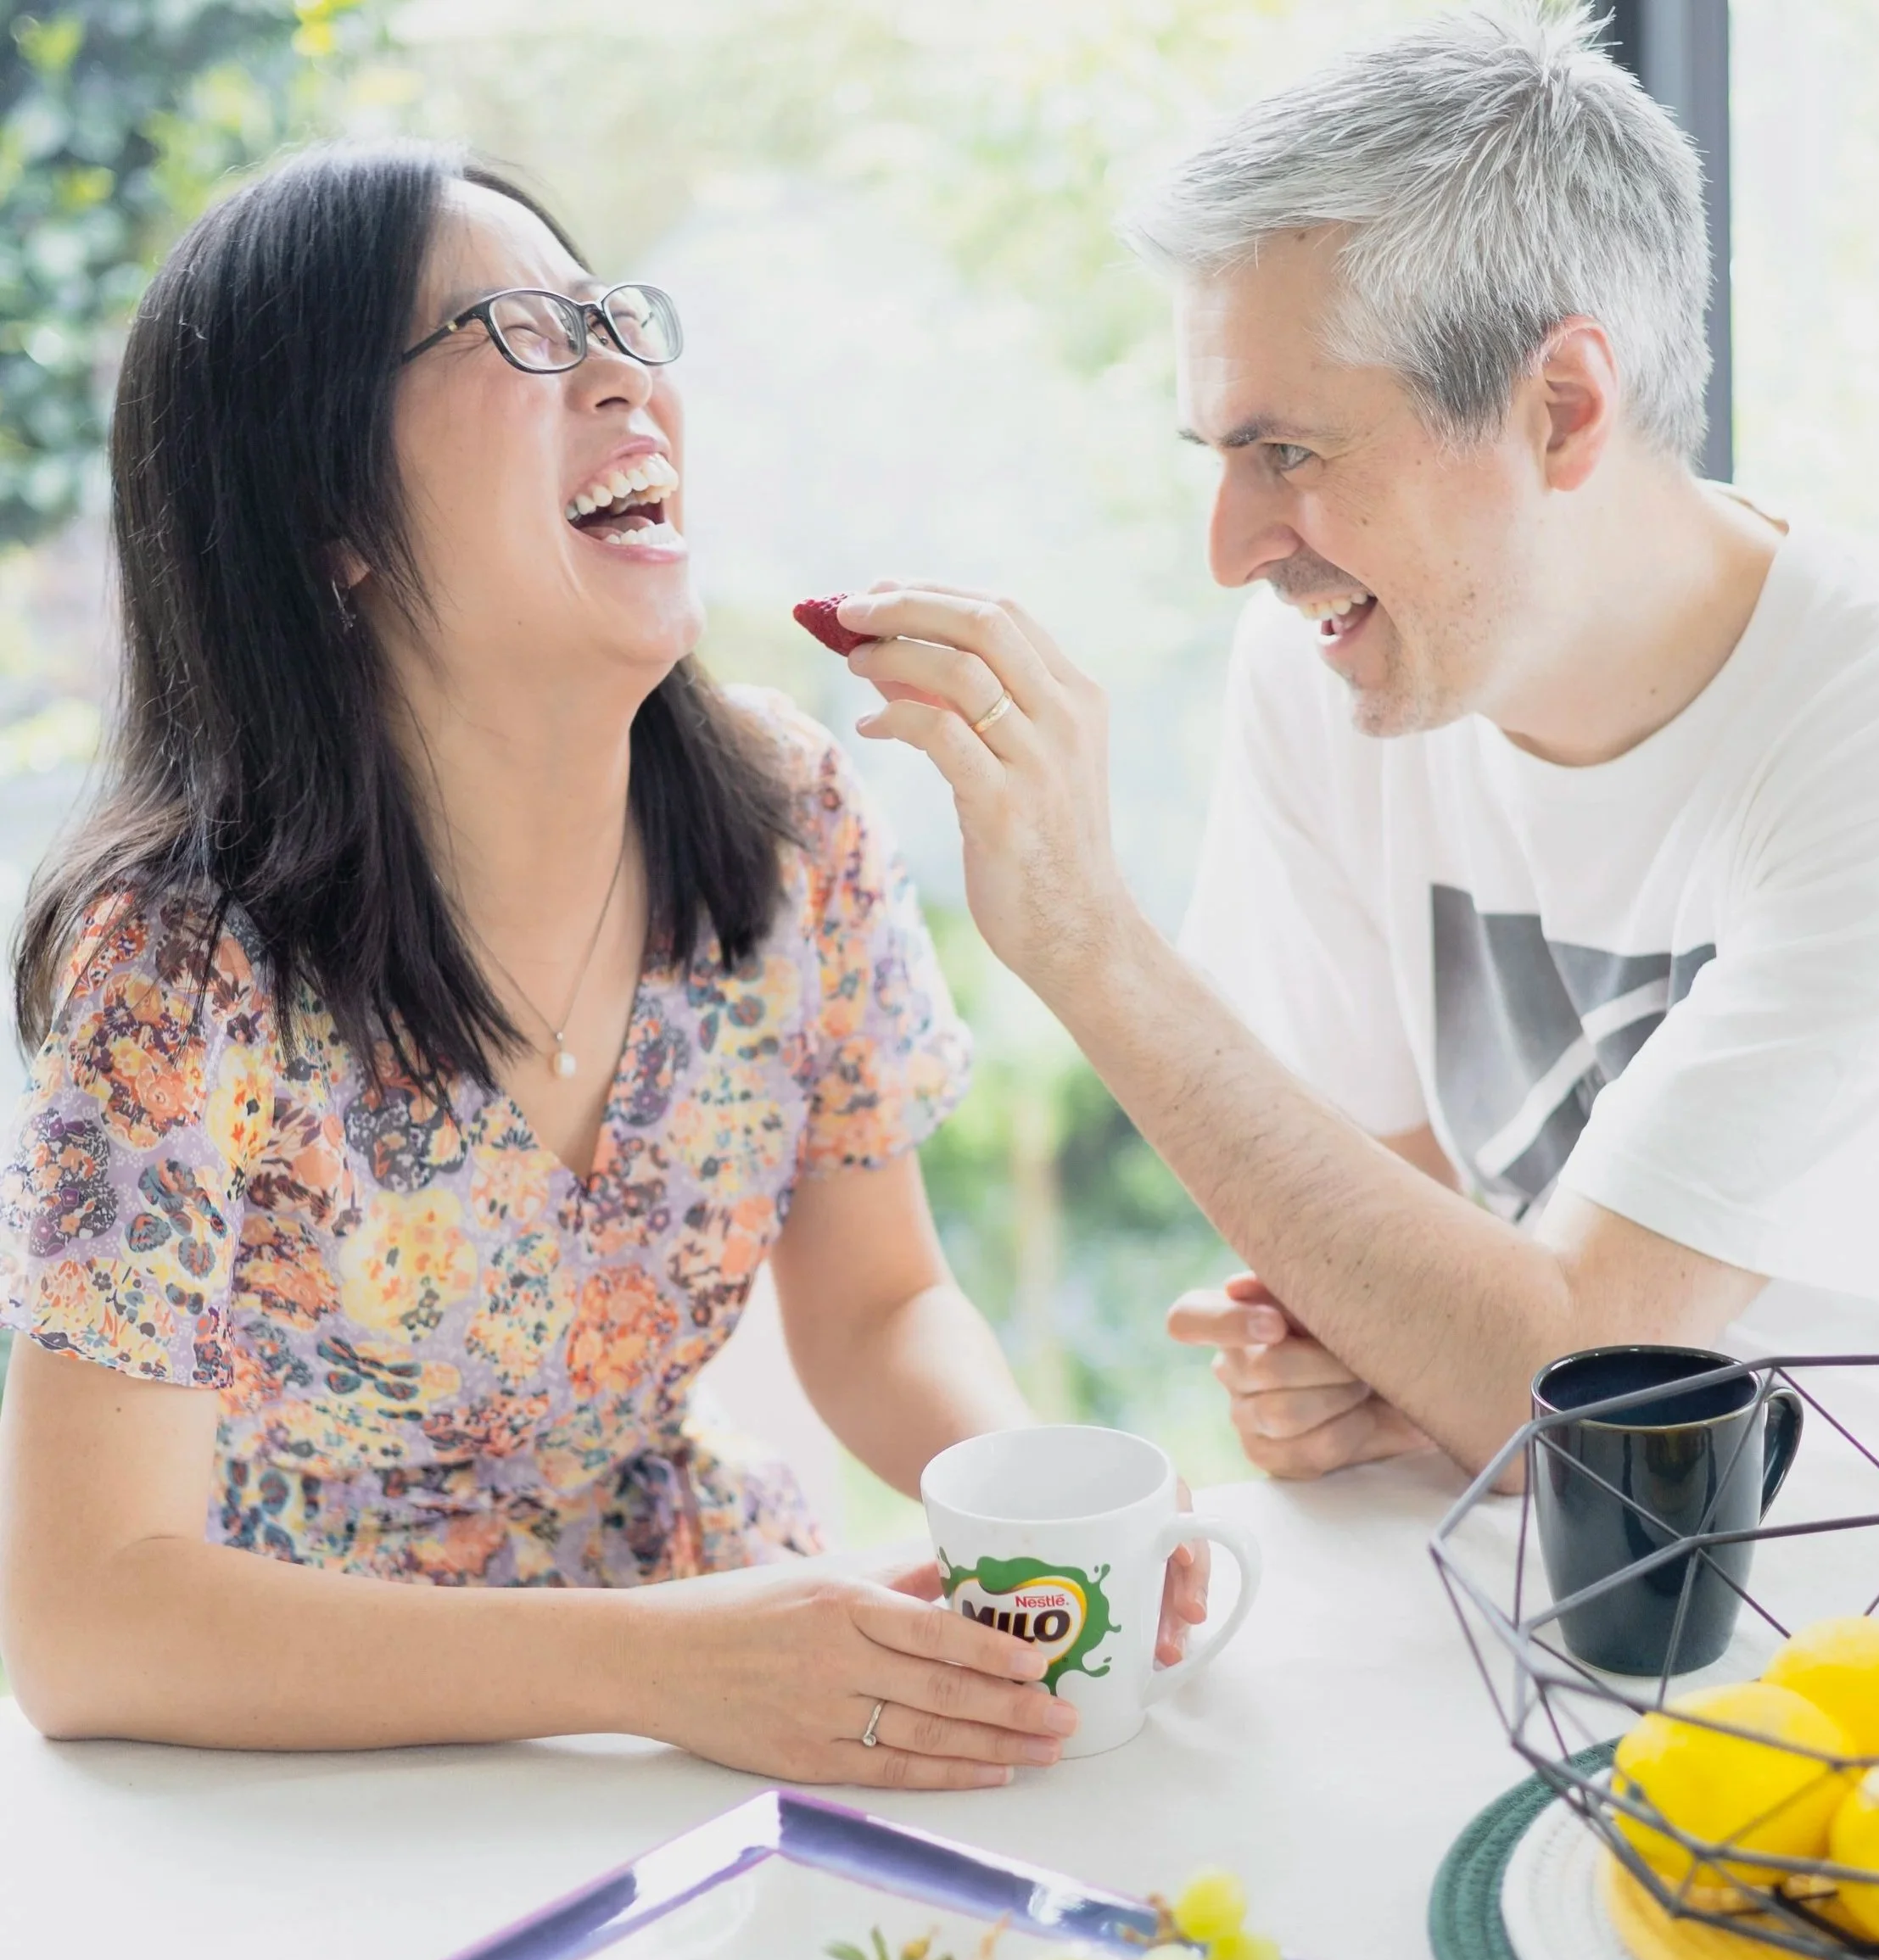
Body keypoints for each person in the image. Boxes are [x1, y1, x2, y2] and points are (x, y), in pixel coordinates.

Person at [0, 141, 1204, 1778]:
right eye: (520, 336)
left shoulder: (795, 821)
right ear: (325, 521)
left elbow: (880, 1305)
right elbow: (88, 1620)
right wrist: (656, 1666)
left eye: (617, 321)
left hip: (706, 1699)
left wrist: (1057, 1514)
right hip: (298, 1763)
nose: (630, 375)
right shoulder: (175, 971)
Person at [842, 2, 1879, 1484]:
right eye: (1219, 456)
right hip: (1564, 1600)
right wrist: (1349, 1361)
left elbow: (1566, 1387)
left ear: (1563, 407)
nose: (1233, 547)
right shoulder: (1335, 674)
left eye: (1290, 453)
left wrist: (1087, 942)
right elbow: (1366, 1234)